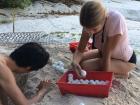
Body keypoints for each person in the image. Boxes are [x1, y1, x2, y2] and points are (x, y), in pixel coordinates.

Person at [72, 0, 137, 78]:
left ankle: (123, 74)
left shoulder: (115, 20)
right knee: (78, 62)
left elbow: (106, 55)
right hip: (102, 53)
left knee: (84, 67)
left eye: (94, 29)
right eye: (86, 28)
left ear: (104, 19)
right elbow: (80, 50)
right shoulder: (88, 23)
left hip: (124, 60)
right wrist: (75, 62)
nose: (90, 32)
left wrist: (104, 76)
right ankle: (116, 71)